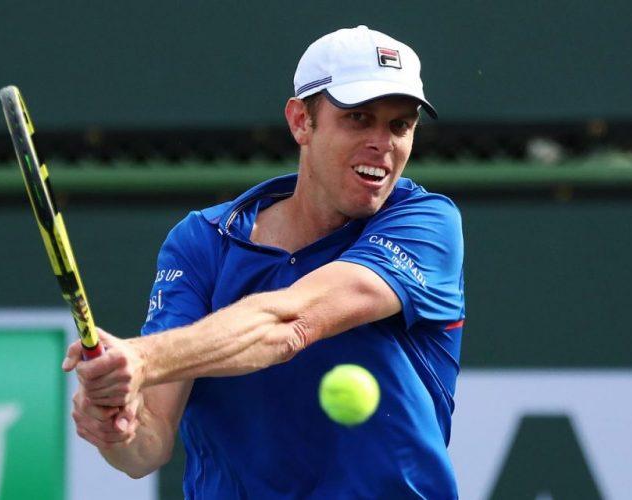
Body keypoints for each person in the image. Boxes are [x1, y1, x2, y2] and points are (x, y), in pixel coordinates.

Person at [63, 25, 465, 499]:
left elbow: (292, 322)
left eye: (400, 126)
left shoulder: (426, 224)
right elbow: (148, 447)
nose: (383, 142)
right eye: (359, 118)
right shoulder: (203, 242)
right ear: (301, 122)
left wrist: (142, 358)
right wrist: (118, 430)